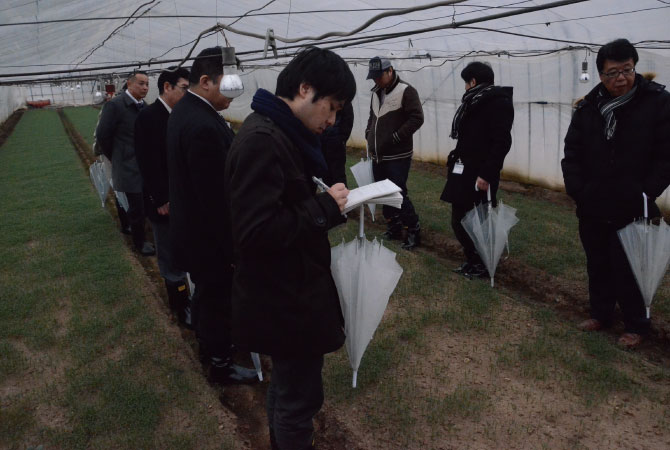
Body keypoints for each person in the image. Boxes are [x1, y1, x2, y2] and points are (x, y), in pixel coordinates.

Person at [225, 47, 355, 450]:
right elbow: (257, 231)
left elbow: (281, 204)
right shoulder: (263, 140)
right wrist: (321, 209)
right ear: (304, 90)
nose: (332, 121)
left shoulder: (278, 133)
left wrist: (322, 198)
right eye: (331, 108)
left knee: (287, 389)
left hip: (286, 295)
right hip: (284, 300)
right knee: (299, 401)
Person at [562, 38, 670, 348]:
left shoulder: (657, 102)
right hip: (593, 201)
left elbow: (666, 154)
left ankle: (637, 324)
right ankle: (601, 313)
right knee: (598, 261)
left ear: (635, 68)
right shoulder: (588, 107)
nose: (620, 78)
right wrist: (578, 189)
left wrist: (646, 192)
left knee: (630, 265)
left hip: (633, 201)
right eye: (612, 73)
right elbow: (573, 151)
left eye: (627, 70)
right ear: (600, 75)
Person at [166, 48, 256, 384]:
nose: (234, 95)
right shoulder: (201, 124)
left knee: (207, 294)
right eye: (228, 86)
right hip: (207, 239)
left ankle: (210, 348)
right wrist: (231, 248)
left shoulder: (186, 110)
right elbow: (214, 199)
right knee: (217, 298)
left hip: (193, 233)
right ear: (205, 82)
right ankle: (221, 364)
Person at [440, 61, 514, 279]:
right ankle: (473, 259)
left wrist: (487, 175)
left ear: (473, 81)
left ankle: (482, 263)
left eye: (466, 82)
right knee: (460, 218)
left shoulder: (497, 103)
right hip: (464, 169)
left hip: (479, 173)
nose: (465, 88)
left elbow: (501, 143)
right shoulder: (474, 102)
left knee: (478, 220)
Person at [134, 66, 192, 327]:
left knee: (183, 248)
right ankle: (180, 308)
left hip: (182, 199)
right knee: (169, 255)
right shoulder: (149, 117)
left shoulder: (180, 114)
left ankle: (188, 298)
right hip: (163, 203)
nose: (187, 93)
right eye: (183, 88)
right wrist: (161, 199)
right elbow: (148, 163)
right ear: (167, 87)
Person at [365, 56, 424, 250]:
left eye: (379, 76)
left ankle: (413, 228)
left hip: (397, 156)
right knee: (382, 193)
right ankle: (394, 226)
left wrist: (397, 137)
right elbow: (372, 117)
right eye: (373, 77)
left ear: (390, 71)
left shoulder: (406, 91)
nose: (376, 80)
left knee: (397, 192)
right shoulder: (376, 92)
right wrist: (368, 133)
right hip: (378, 155)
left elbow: (417, 118)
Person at [94, 71, 155, 256]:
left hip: (142, 164)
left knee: (143, 202)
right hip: (127, 164)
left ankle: (134, 230)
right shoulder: (115, 105)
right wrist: (117, 156)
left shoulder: (144, 106)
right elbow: (103, 135)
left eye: (147, 84)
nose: (145, 88)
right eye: (141, 84)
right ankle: (140, 242)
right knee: (136, 206)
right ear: (129, 84)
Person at [320, 101, 354, 186]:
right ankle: (328, 196)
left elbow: (348, 120)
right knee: (325, 175)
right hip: (322, 144)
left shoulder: (344, 99)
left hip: (336, 146)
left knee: (338, 177)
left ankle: (343, 197)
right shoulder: (322, 97)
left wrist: (341, 139)